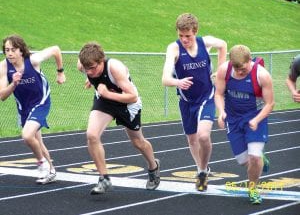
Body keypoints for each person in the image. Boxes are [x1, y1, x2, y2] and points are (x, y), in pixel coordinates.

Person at [77, 42, 160, 194]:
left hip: (127, 105)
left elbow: (133, 96)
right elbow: (88, 66)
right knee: (92, 135)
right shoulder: (84, 65)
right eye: (86, 69)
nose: (90, 72)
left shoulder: (114, 68)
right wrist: (92, 80)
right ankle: (104, 178)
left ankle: (153, 167)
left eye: (93, 68)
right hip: (104, 102)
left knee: (138, 142)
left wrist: (107, 93)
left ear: (102, 60)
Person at [162, 13, 227, 191]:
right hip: (186, 101)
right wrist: (177, 82)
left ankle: (202, 171)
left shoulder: (204, 42)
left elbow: (222, 45)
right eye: (180, 35)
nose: (184, 40)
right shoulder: (174, 49)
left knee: (203, 136)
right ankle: (201, 169)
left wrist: (221, 70)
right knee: (192, 139)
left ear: (195, 32)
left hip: (206, 97)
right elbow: (165, 79)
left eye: (188, 36)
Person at [0, 34, 66, 184]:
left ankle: (41, 164)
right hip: (24, 106)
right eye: (6, 50)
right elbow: (2, 96)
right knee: (37, 140)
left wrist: (60, 71)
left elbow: (56, 49)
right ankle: (51, 170)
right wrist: (14, 84)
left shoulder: (33, 60)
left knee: (27, 135)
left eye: (13, 49)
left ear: (21, 51)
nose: (9, 53)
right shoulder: (3, 67)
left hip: (41, 102)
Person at [214, 45, 274, 204]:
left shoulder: (262, 75)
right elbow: (218, 94)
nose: (240, 72)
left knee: (254, 157)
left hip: (255, 117)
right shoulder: (223, 71)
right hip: (232, 119)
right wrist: (221, 112)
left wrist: (256, 119)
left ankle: (253, 189)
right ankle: (261, 158)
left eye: (243, 68)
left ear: (250, 60)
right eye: (236, 69)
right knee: (244, 160)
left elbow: (270, 103)